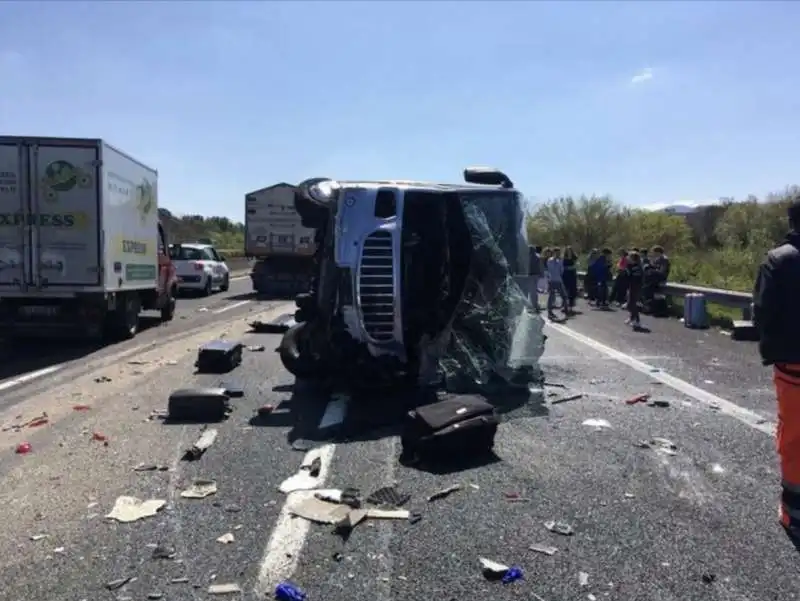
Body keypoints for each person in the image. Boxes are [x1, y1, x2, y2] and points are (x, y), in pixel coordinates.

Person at [752, 197, 800, 534]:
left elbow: (763, 309)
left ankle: (794, 514)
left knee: (795, 438)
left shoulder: (780, 260)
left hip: (794, 362)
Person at [545, 247, 569, 319]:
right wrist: (555, 260)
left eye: (559, 253)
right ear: (554, 253)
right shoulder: (550, 260)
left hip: (558, 280)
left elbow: (561, 271)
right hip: (552, 280)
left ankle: (566, 309)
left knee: (564, 295)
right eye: (556, 252)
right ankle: (549, 311)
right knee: (551, 296)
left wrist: (559, 262)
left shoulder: (560, 261)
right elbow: (550, 269)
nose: (558, 254)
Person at [624, 250, 644, 328]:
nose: (627, 258)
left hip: (635, 287)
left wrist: (628, 275)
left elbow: (635, 278)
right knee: (630, 303)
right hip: (631, 286)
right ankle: (632, 318)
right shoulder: (630, 266)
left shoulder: (637, 267)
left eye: (629, 256)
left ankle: (637, 320)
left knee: (631, 304)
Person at [528, 244, 543, 312]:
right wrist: (541, 273)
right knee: (534, 291)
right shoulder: (538, 256)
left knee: (532, 291)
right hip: (536, 275)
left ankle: (534, 305)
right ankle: (535, 304)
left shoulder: (527, 257)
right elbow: (540, 266)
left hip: (530, 275)